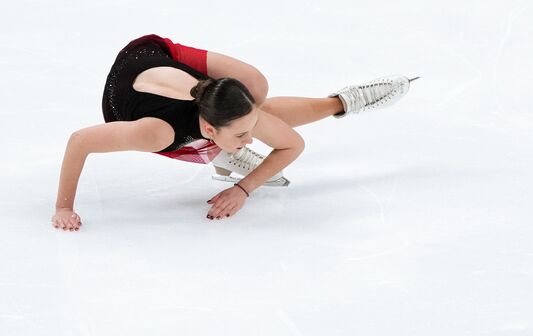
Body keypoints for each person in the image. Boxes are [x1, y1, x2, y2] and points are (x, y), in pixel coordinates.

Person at [51, 33, 417, 232]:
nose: (252, 139)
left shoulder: (221, 108)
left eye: (247, 133)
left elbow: (292, 144)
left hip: (157, 57)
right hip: (127, 94)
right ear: (209, 128)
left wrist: (244, 188)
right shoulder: (155, 133)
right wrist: (63, 208)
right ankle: (218, 151)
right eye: (242, 137)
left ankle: (344, 101)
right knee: (230, 130)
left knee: (256, 86)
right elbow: (80, 141)